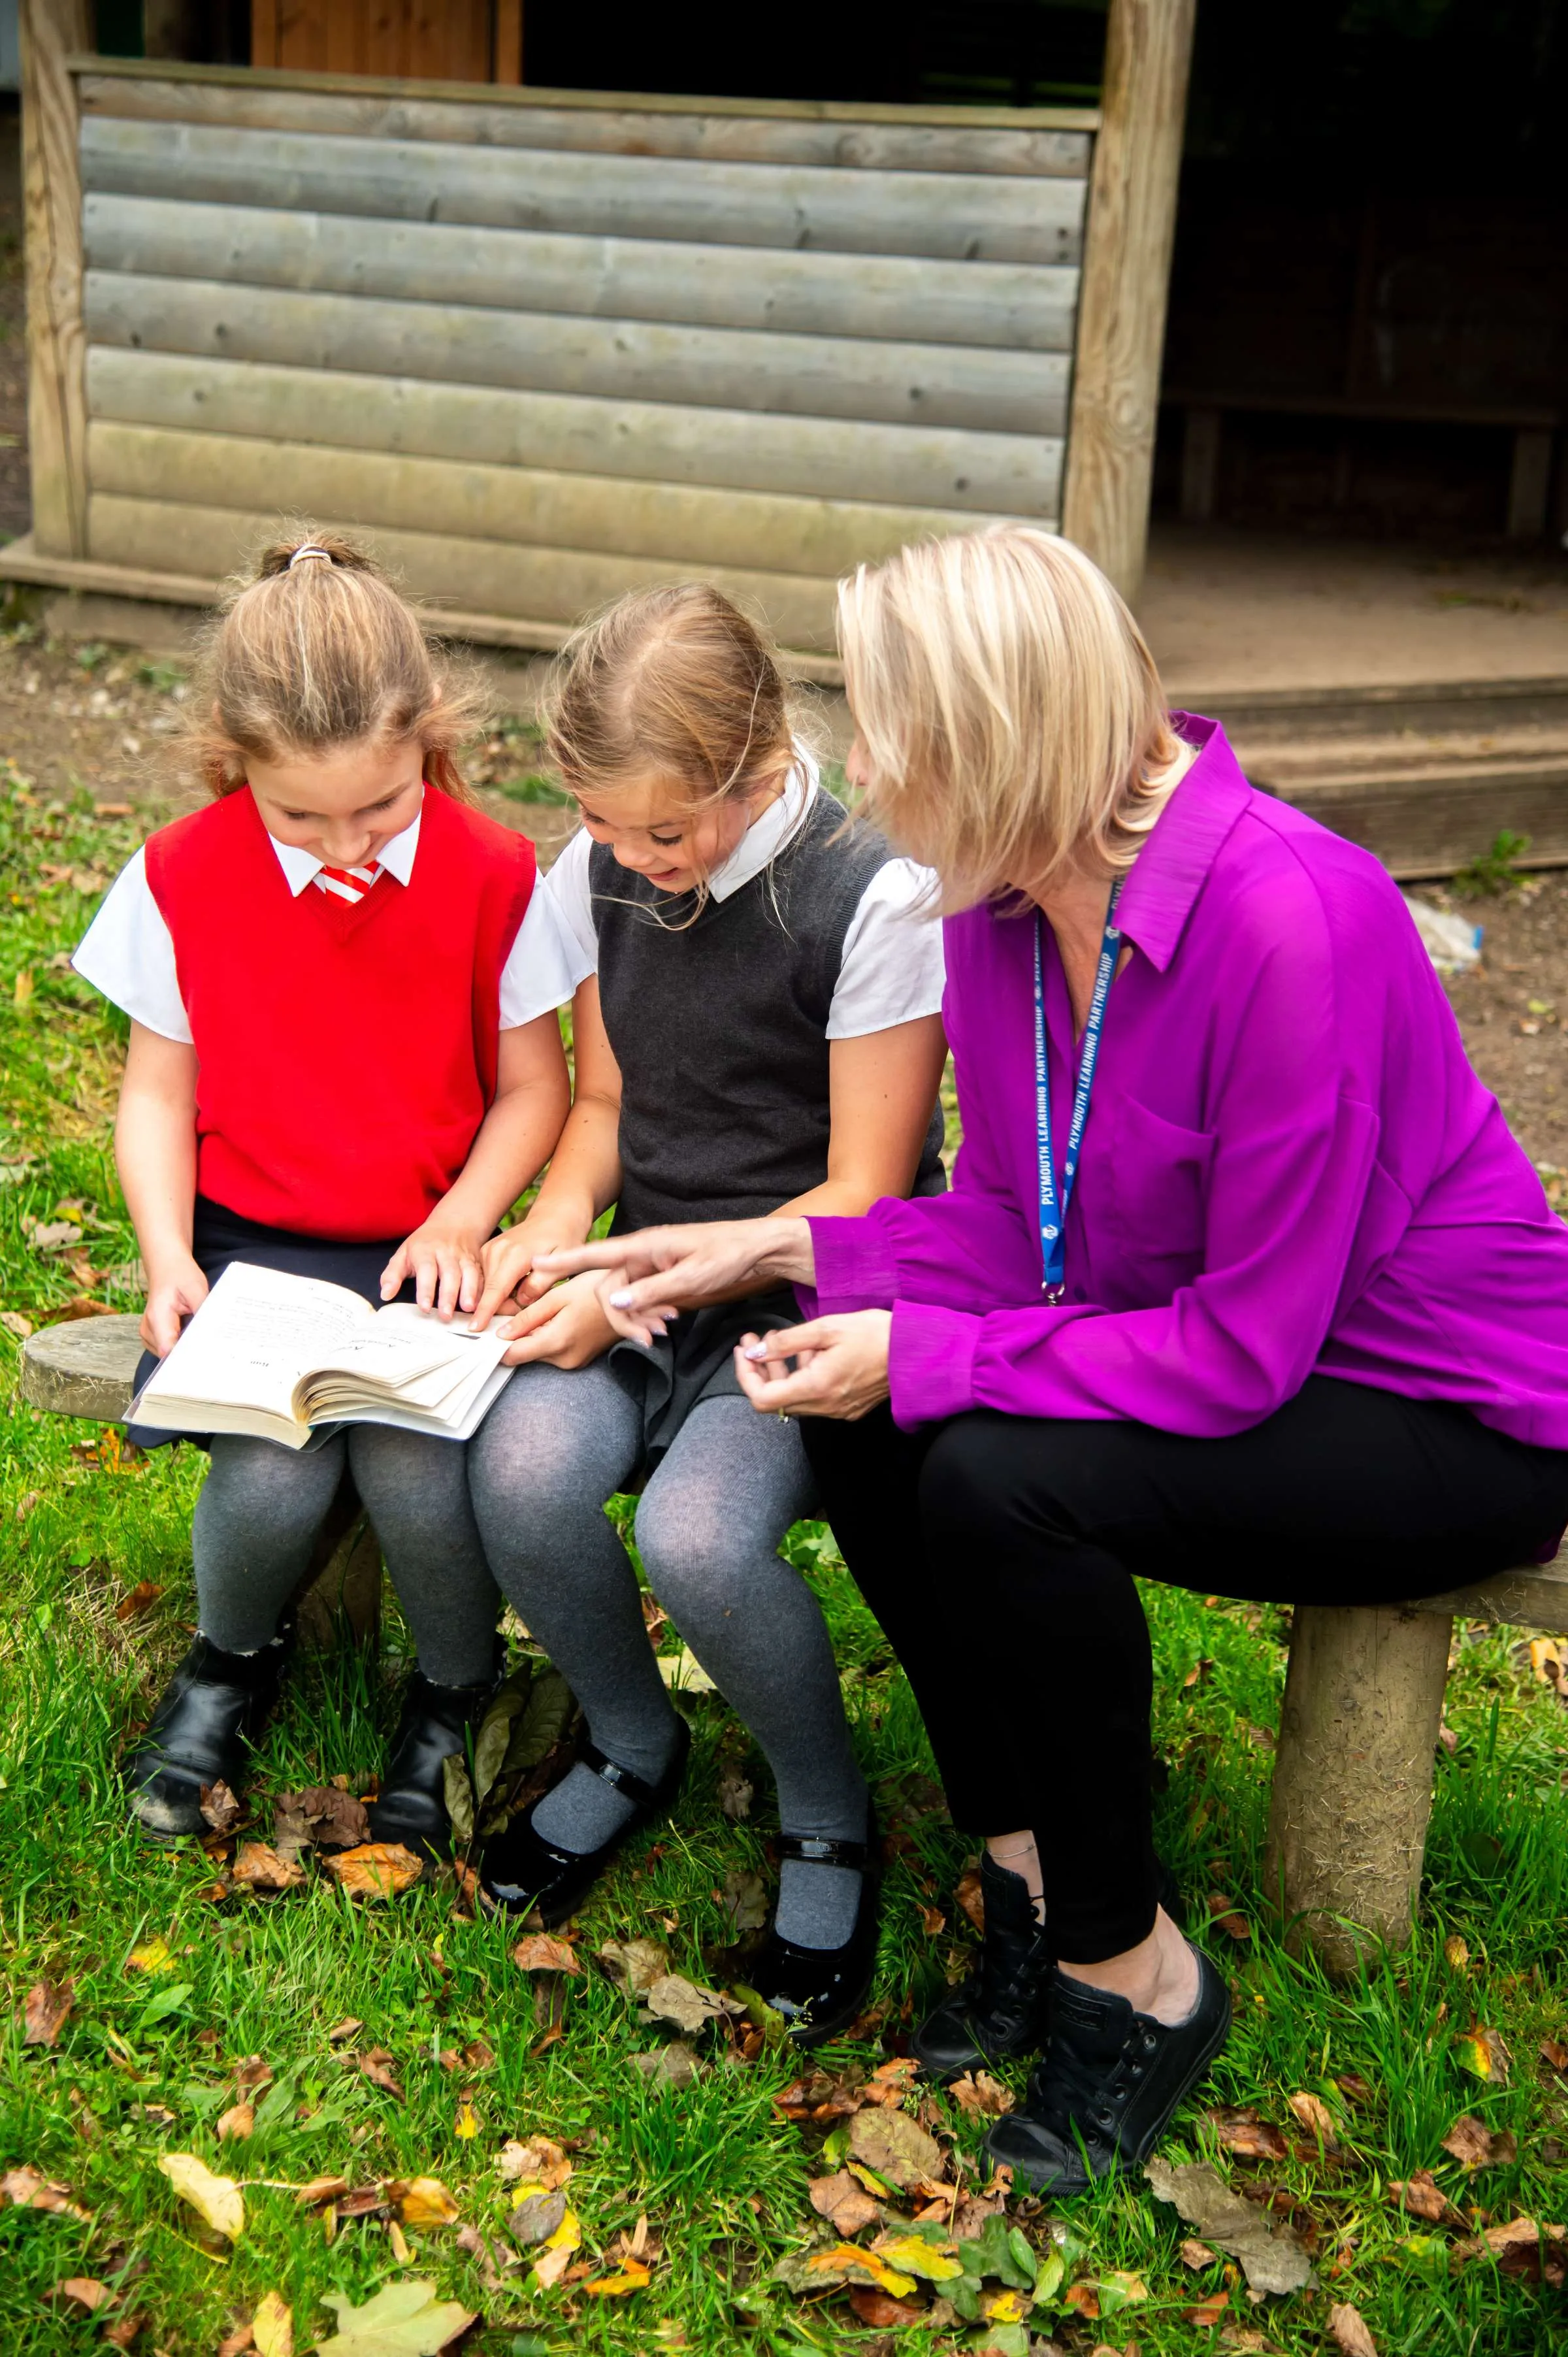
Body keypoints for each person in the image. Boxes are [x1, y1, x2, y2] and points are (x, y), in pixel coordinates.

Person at [534, 525, 1568, 2188]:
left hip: (1424, 1397)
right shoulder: (996, 905)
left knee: (1000, 1474)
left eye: (891, 735)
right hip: (1206, 1331)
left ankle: (1131, 1970)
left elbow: (1244, 1352)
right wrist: (772, 1252)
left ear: (999, 748)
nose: (862, 772)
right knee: (868, 1405)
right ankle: (1025, 1859)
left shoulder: (1299, 920)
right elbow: (1019, 1226)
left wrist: (933, 1359)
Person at [461, 582, 948, 2043]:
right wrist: (556, 1240)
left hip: (801, 1310)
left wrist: (644, 1279)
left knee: (695, 1534)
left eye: (666, 833)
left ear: (760, 763)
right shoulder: (605, 858)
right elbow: (604, 1103)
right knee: (523, 1472)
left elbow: (862, 1197)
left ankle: (824, 1806)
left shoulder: (877, 894)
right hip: (646, 1283)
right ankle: (628, 1738)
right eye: (606, 827)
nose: (632, 860)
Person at [73, 532, 582, 1855]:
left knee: (417, 1474)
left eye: (381, 807)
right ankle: (228, 1664)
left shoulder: (493, 876)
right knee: (269, 1486)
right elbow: (156, 1096)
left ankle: (457, 1694)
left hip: (429, 1250)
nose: (344, 842)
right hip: (250, 1255)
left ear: (428, 742)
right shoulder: (182, 873)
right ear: (235, 761)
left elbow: (537, 1090)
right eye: (301, 816)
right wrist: (168, 1253)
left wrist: (468, 1214)